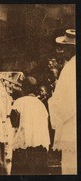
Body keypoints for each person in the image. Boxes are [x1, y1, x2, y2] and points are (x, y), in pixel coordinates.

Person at [48, 29, 76, 174]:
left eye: (63, 48)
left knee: (71, 166)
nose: (61, 51)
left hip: (72, 124)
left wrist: (53, 103)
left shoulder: (71, 67)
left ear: (71, 49)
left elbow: (67, 100)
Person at [10, 76, 50, 175]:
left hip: (23, 147)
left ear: (24, 89)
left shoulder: (18, 102)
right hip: (40, 146)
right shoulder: (41, 105)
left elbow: (14, 122)